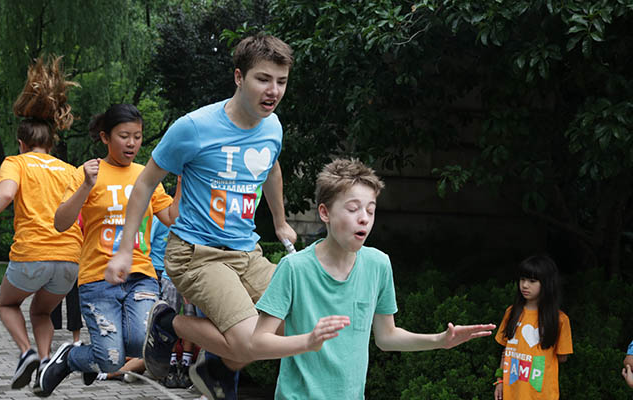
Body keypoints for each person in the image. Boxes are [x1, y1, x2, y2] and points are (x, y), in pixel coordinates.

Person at [105, 33, 297, 400]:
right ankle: (168, 324)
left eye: (281, 81)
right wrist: (125, 250)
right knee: (246, 342)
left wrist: (280, 220)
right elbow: (144, 185)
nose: (273, 90)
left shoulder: (272, 127)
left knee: (295, 321)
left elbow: (271, 168)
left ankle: (214, 368)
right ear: (239, 77)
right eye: (263, 79)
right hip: (196, 254)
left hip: (247, 253)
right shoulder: (193, 128)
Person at [250, 158, 496, 399]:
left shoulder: (378, 264)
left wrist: (440, 340)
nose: (364, 218)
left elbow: (386, 337)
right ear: (324, 212)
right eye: (353, 208)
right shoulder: (294, 268)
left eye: (370, 210)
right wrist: (308, 341)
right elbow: (258, 343)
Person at [0, 55, 83, 392]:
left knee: (8, 304)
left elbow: (6, 195)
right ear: (51, 143)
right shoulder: (68, 170)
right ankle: (46, 363)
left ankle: (26, 353)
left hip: (32, 254)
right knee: (42, 312)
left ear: (22, 143)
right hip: (69, 260)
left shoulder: (16, 163)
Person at [39, 104, 180, 396]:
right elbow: (61, 223)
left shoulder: (147, 175)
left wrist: (182, 184)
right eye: (124, 136)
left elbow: (171, 218)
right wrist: (86, 187)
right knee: (110, 360)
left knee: (140, 343)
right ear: (105, 137)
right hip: (97, 277)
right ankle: (71, 358)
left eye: (138, 136)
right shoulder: (87, 172)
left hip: (140, 274)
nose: (131, 143)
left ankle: (88, 359)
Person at [494, 255, 573, 400]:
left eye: (532, 281)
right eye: (522, 279)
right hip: (511, 392)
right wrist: (500, 380)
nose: (524, 285)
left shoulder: (560, 320)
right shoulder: (511, 312)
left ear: (547, 283)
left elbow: (562, 357)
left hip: (542, 394)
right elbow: (506, 350)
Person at [151, 217, 196, 389]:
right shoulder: (165, 217)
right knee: (168, 321)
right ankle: (169, 366)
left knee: (191, 321)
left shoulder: (195, 218)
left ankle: (185, 366)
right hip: (170, 277)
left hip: (193, 278)